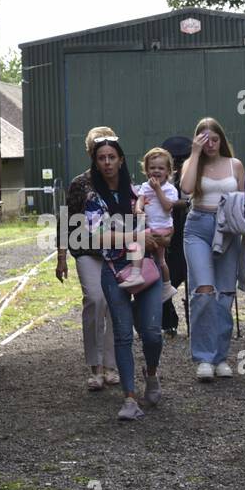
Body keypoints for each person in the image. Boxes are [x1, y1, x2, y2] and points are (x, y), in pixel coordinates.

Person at [89, 137, 164, 421]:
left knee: (152, 333)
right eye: (101, 158)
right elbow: (97, 236)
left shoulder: (139, 194)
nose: (107, 162)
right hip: (113, 268)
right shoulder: (93, 199)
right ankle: (130, 398)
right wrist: (136, 235)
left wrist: (156, 237)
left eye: (112, 157)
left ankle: (152, 373)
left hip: (145, 266)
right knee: (122, 334)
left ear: (121, 160)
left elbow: (161, 228)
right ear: (96, 163)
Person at [179, 117, 245, 381]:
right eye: (204, 140)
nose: (210, 145)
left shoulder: (235, 165)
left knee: (224, 294)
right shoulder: (192, 163)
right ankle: (204, 358)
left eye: (214, 139)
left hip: (228, 229)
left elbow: (243, 200)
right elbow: (185, 190)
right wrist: (194, 153)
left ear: (222, 139)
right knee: (204, 291)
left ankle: (220, 357)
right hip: (198, 227)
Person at [57, 125, 120, 390]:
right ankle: (94, 366)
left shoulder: (123, 180)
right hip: (86, 251)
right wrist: (61, 256)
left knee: (114, 306)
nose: (104, 159)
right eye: (97, 150)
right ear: (90, 152)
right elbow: (65, 220)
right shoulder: (80, 184)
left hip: (117, 251)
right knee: (95, 300)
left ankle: (112, 365)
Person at [131, 148, 177, 289]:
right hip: (151, 226)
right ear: (146, 170)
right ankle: (166, 286)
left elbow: (168, 206)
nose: (156, 171)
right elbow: (140, 199)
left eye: (161, 168)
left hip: (163, 228)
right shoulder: (145, 186)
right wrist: (138, 209)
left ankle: (136, 274)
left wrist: (157, 190)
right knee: (159, 260)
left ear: (168, 171)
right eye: (152, 168)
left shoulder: (170, 189)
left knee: (136, 243)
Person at [159, 136, 192, 337]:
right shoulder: (161, 182)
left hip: (189, 238)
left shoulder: (191, 179)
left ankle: (192, 319)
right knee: (166, 283)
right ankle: (168, 321)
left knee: (192, 282)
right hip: (169, 241)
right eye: (176, 161)